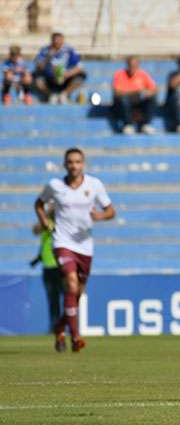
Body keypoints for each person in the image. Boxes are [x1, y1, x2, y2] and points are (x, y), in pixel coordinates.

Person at [34, 148, 115, 352]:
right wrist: (43, 219)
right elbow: (39, 204)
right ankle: (76, 337)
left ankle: (60, 329)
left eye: (78, 162)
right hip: (62, 242)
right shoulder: (55, 186)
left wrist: (101, 217)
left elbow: (111, 211)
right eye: (70, 162)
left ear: (83, 164)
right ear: (65, 164)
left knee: (76, 294)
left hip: (85, 247)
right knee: (70, 284)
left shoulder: (94, 185)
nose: (74, 165)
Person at [30, 207, 62, 334]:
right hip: (47, 267)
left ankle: (68, 325)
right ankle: (54, 327)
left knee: (67, 298)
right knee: (52, 300)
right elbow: (35, 230)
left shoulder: (62, 222)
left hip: (60, 266)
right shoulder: (45, 222)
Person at [33, 32, 87, 104]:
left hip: (66, 78)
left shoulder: (69, 50)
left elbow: (80, 66)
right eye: (55, 40)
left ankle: (64, 95)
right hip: (50, 78)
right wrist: (48, 56)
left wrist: (68, 74)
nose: (57, 42)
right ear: (52, 40)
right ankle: (51, 96)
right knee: (37, 78)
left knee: (81, 76)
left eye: (59, 40)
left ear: (63, 40)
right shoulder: (45, 50)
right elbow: (39, 66)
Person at [112, 56, 158, 135]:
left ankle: (146, 124)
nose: (133, 68)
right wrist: (134, 93)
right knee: (123, 99)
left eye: (135, 65)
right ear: (127, 65)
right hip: (123, 104)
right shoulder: (119, 74)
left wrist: (148, 93)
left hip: (139, 102)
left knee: (152, 97)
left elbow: (154, 89)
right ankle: (128, 125)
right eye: (131, 65)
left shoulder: (143, 74)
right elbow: (117, 93)